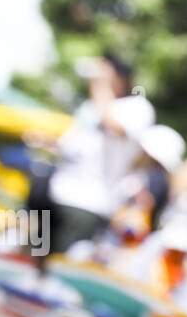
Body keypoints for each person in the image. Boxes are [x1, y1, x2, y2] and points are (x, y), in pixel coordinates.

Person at [36, 52, 155, 253]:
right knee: (36, 258)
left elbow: (115, 128)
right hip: (56, 193)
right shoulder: (90, 107)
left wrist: (101, 85)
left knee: (61, 269)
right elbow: (71, 146)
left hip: (88, 204)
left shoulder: (137, 107)